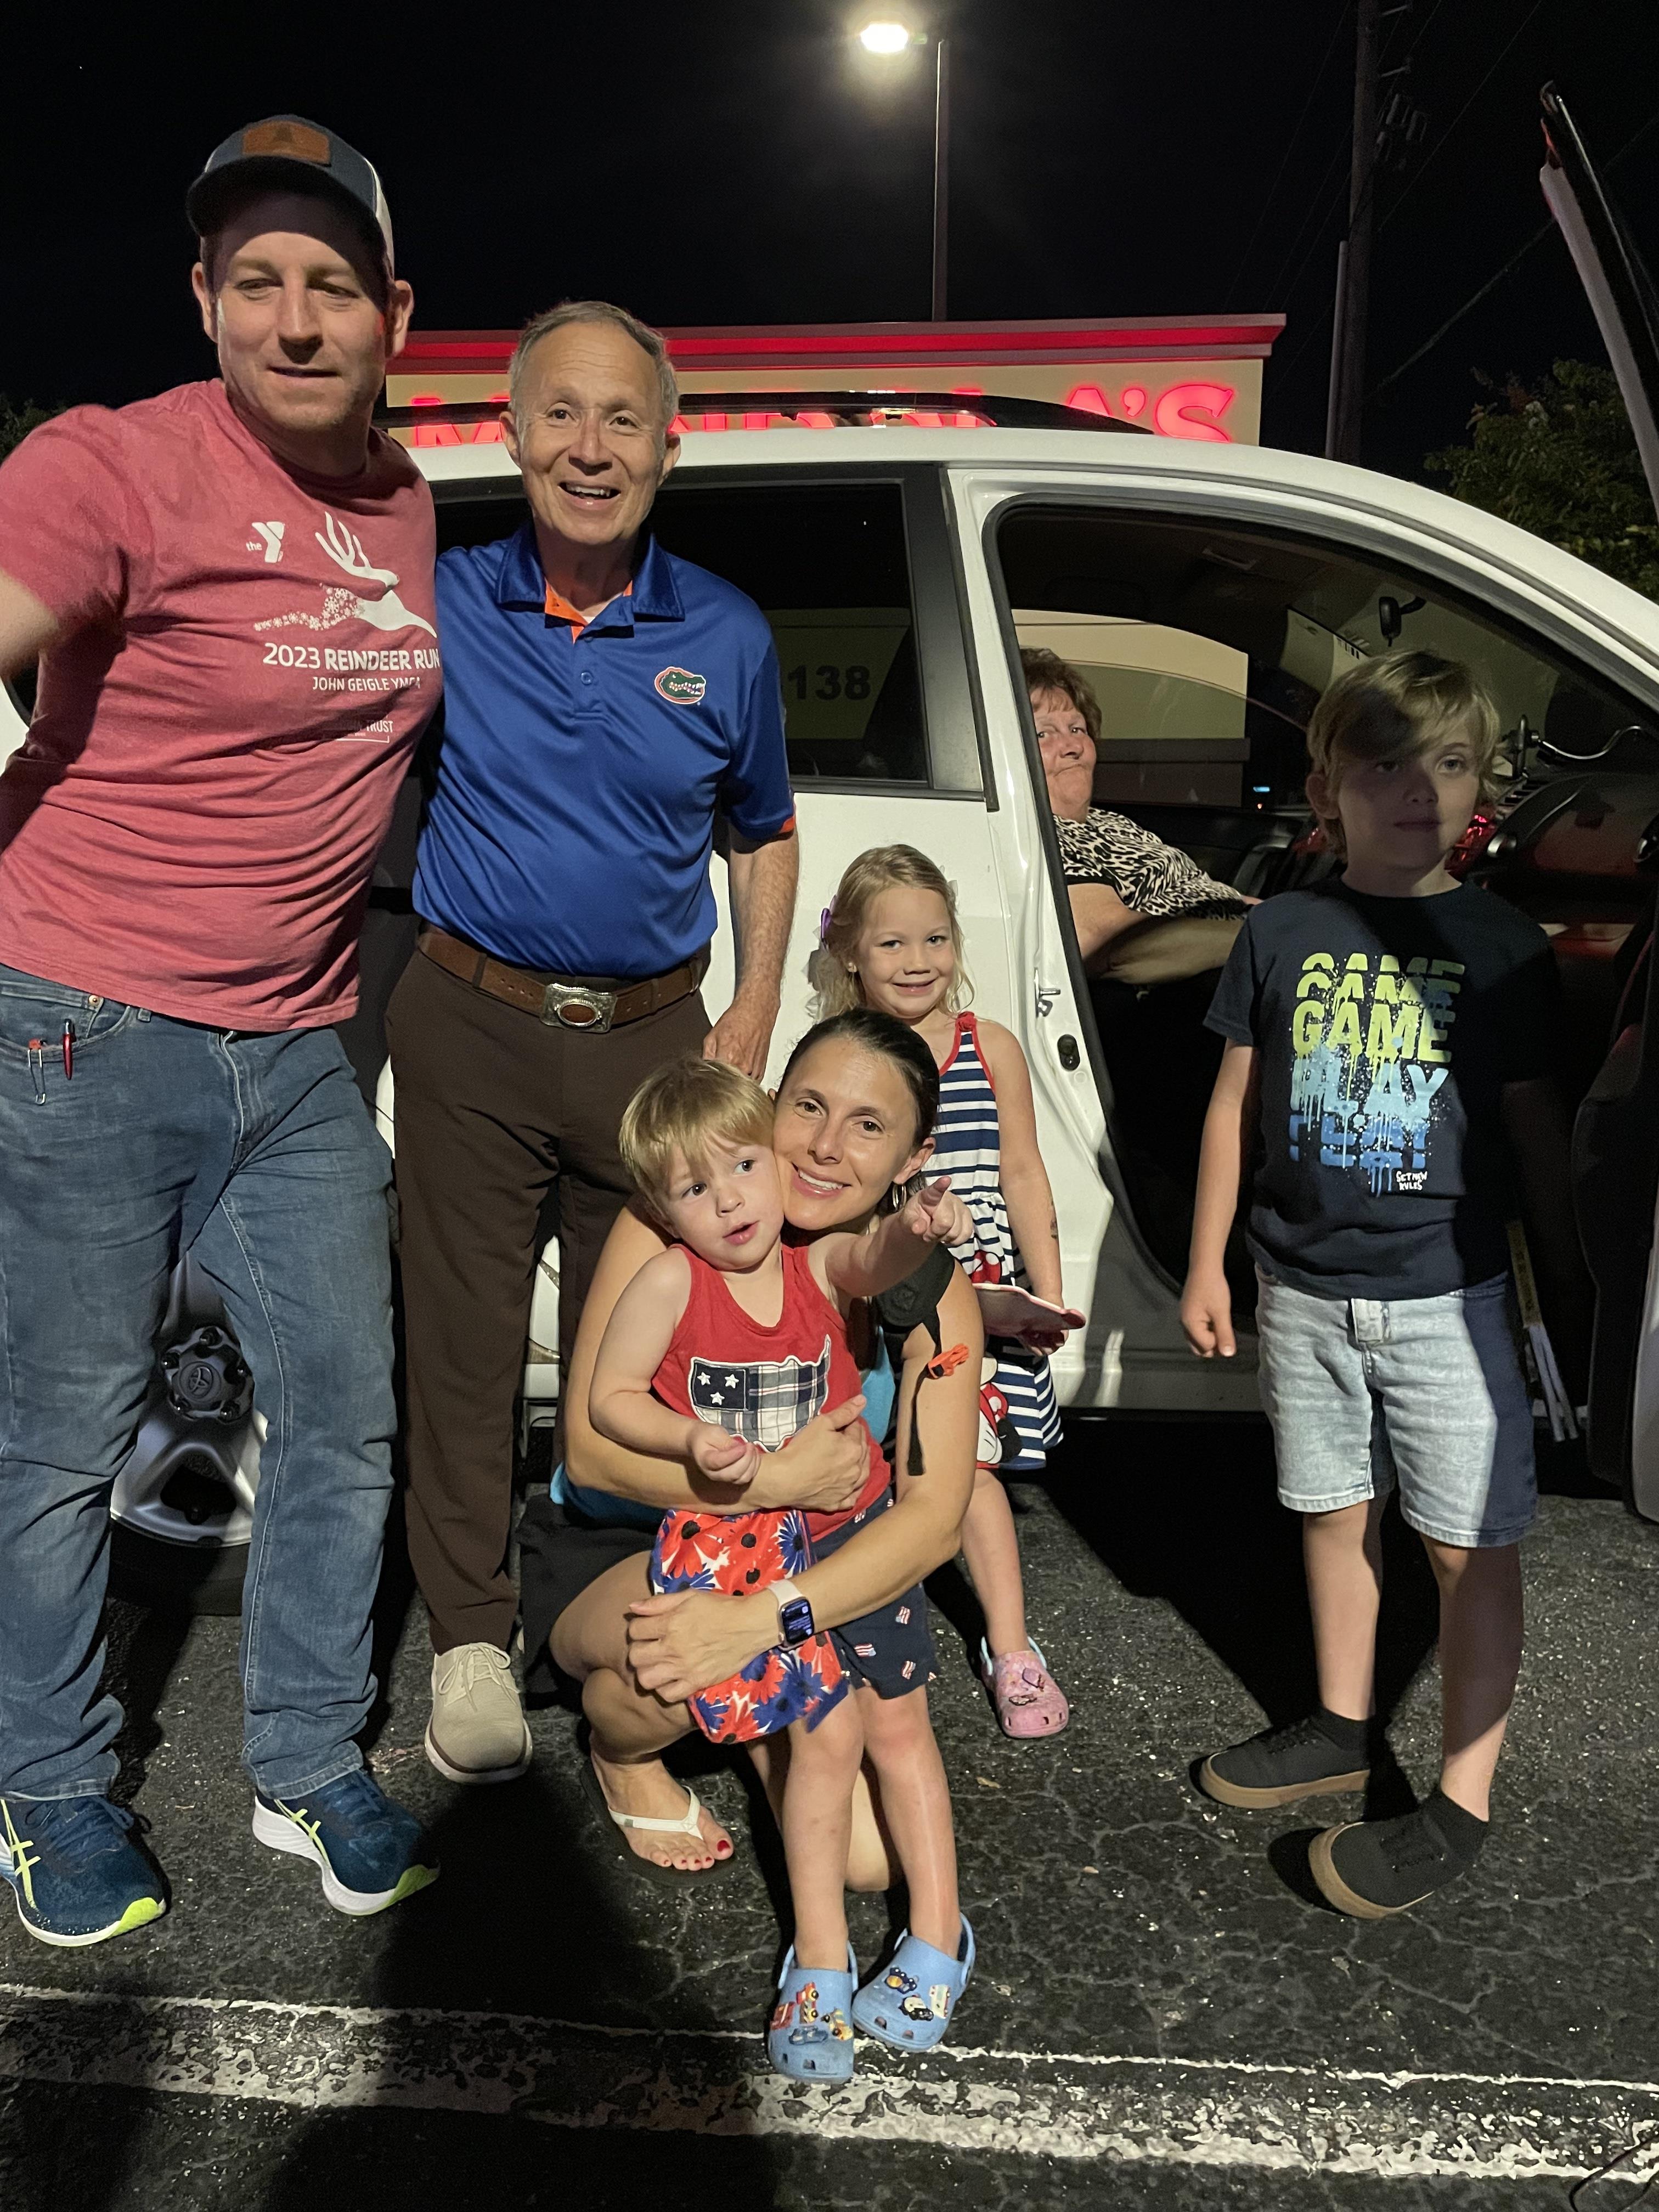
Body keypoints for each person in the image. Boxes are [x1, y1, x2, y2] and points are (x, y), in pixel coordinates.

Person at [0, 115, 439, 1945]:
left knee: (343, 1413)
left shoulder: (405, 501)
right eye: (253, 278)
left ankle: (306, 1759)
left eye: (331, 280)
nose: (293, 313)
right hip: (92, 1023)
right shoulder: (111, 465)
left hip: (305, 1044)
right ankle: (45, 1790)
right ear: (201, 297)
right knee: (61, 1437)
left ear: (393, 312)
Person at [387, 300, 800, 1789]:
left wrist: (749, 1013)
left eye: (624, 419)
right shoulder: (438, 603)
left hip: (651, 1042)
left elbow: (763, 830)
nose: (590, 446)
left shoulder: (727, 632)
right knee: (464, 1348)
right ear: (512, 433)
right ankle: (473, 1639)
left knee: (645, 1353)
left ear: (668, 446)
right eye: (561, 413)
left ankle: (624, 1605)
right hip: (471, 1028)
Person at [1181, 650, 1590, 1918]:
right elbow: (1234, 1100)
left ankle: (1461, 1798)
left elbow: (1533, 1127)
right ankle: (1343, 1724)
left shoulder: (1504, 945)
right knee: (1330, 1507)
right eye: (1387, 763)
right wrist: (1209, 1258)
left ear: (1480, 791)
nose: (1418, 790)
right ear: (1328, 786)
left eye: (1449, 764)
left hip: (1446, 1298)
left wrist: (1572, 1288)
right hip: (1300, 1287)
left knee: (1471, 1552)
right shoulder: (1281, 927)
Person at [516, 1012, 983, 1926]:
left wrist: (761, 1617)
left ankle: (748, 1690)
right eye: (805, 1105)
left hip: (790, 1565)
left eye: (866, 1125)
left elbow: (931, 1521)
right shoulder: (677, 1224)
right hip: (629, 1539)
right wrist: (770, 1483)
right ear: (768, 1105)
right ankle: (623, 1745)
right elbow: (591, 1441)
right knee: (672, 1668)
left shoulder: (921, 1289)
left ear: (909, 1156)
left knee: (869, 1861)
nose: (820, 1145)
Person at [589, 1053, 971, 2076]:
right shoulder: (672, 1278)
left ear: (769, 1161)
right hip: (741, 1551)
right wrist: (685, 1442)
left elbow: (872, 1259)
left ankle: (939, 1929)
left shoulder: (811, 1263)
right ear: (665, 1209)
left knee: (898, 1729)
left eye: (743, 1169)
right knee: (823, 1740)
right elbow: (607, 1400)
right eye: (696, 1189)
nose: (730, 1201)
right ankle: (818, 1954)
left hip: (844, 1537)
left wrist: (917, 1227)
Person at [814, 846, 1075, 1739]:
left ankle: (1010, 1646)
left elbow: (1022, 1170)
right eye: (891, 942)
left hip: (979, 1288)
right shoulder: (837, 1052)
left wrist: (1045, 1287)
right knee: (879, 1466)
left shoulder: (986, 1043)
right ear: (849, 950)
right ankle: (858, 1623)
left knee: (960, 1467)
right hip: (878, 1282)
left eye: (934, 937)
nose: (916, 958)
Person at [1023, 645, 1250, 972]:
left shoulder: (1113, 824)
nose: (1072, 746)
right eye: (1044, 733)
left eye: (1077, 729)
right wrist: (1269, 940)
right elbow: (1111, 943)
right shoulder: (1041, 837)